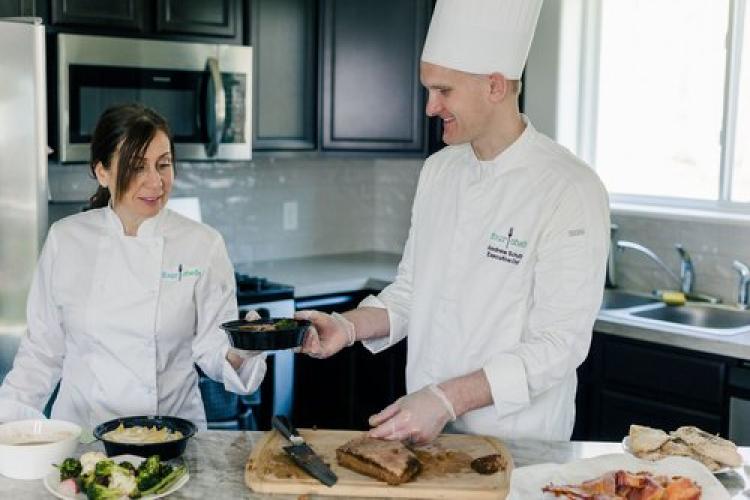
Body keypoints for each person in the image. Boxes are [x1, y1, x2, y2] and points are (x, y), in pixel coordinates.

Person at [296, 0, 610, 444]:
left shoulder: (569, 188)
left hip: (516, 444)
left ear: (495, 87)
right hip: (427, 435)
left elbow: (559, 346)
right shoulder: (439, 171)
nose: (429, 107)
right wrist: (347, 327)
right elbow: (411, 291)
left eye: (443, 91)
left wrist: (446, 400)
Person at [0, 104, 265, 429]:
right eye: (137, 167)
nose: (156, 182)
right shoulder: (66, 239)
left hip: (171, 437)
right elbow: (42, 351)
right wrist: (8, 424)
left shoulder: (202, 243)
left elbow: (212, 346)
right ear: (102, 172)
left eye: (163, 164)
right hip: (84, 441)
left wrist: (244, 350)